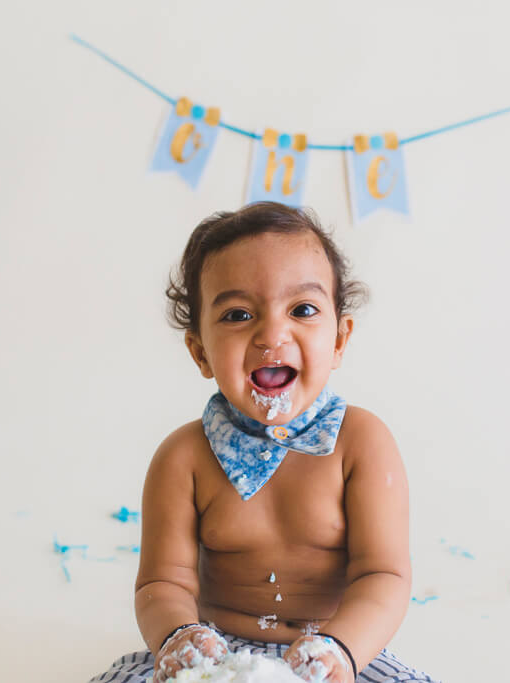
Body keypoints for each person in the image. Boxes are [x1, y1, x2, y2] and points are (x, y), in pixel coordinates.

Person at [89, 202, 438, 683]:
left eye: (303, 309)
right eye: (238, 314)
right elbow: (162, 582)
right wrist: (179, 637)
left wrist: (342, 651)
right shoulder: (184, 458)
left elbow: (384, 576)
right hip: (217, 655)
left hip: (336, 653)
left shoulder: (361, 443)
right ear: (200, 351)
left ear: (339, 340)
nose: (272, 334)